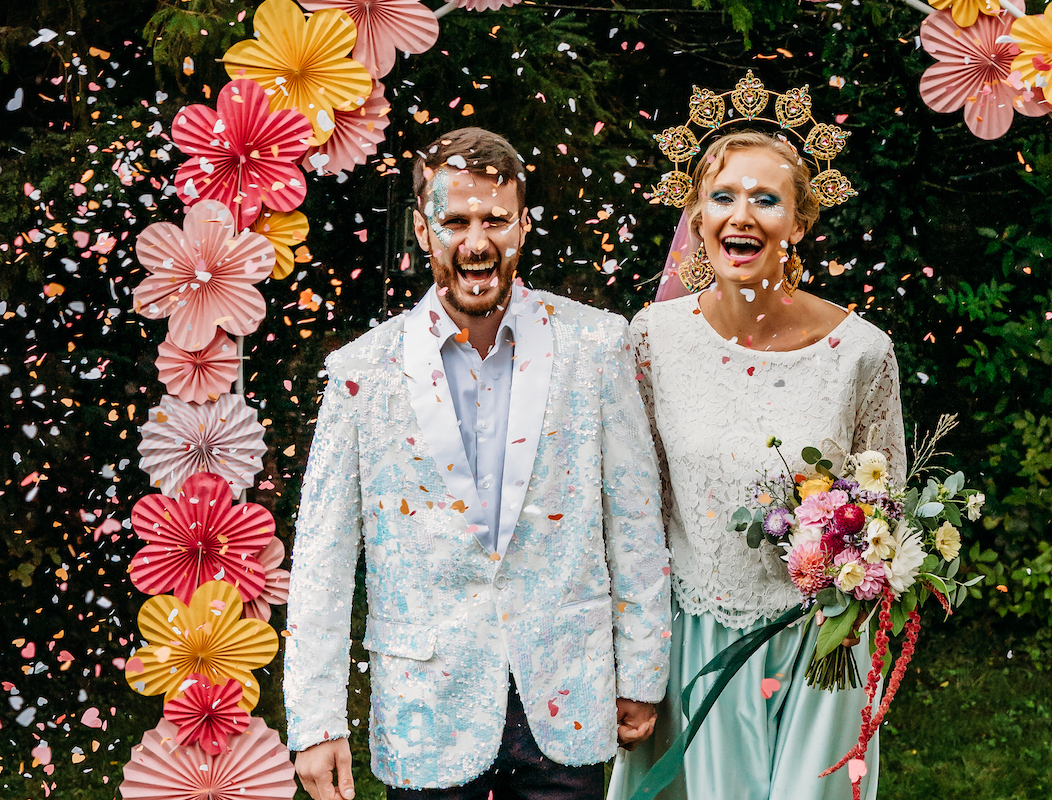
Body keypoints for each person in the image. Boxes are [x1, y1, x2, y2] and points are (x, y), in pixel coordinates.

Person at [283, 127, 672, 800]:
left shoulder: (598, 348)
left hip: (566, 694)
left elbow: (636, 522)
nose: (477, 241)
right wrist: (315, 721)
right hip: (425, 704)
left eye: (495, 219)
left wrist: (642, 668)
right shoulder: (360, 374)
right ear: (422, 228)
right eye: (455, 220)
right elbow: (322, 558)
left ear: (524, 224)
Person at [606, 130, 906, 800]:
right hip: (699, 645)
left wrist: (850, 571)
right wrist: (636, 664)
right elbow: (634, 518)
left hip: (825, 650)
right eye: (722, 197)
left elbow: (891, 511)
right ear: (698, 218)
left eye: (765, 199)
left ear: (798, 222)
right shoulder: (653, 340)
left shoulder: (861, 354)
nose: (740, 215)